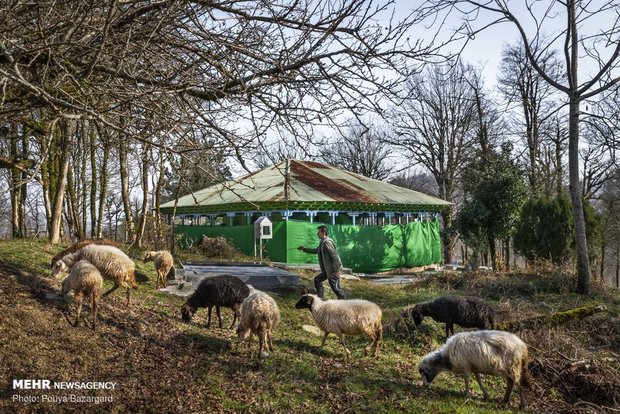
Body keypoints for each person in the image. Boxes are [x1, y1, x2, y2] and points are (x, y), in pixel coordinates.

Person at [298, 225, 345, 299]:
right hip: (327, 270)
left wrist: (337, 270)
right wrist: (304, 249)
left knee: (336, 289)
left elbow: (335, 256)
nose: (317, 234)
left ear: (323, 233)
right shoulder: (322, 242)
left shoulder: (327, 242)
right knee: (317, 279)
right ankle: (320, 300)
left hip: (332, 271)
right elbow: (316, 250)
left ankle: (344, 304)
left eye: (318, 232)